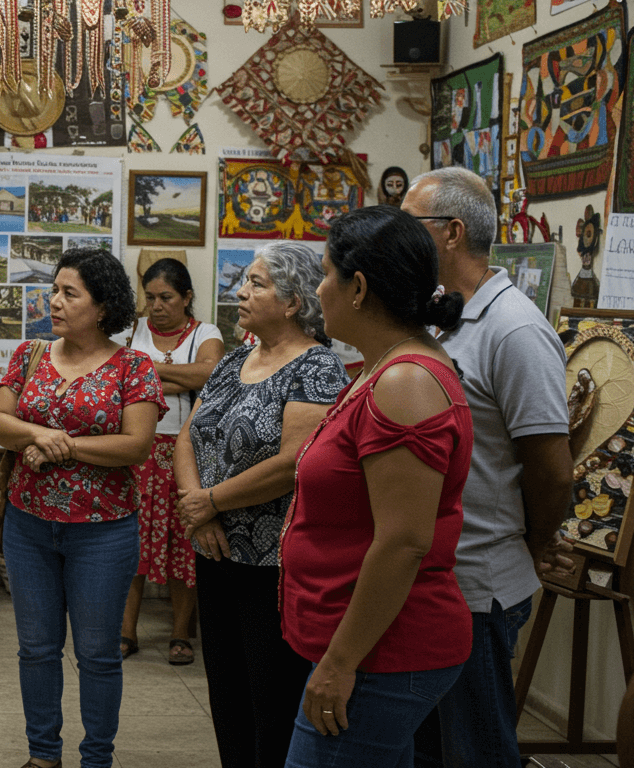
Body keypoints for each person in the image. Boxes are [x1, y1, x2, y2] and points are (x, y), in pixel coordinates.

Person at [279, 206, 473, 765]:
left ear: (359, 288)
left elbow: (403, 542)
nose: (318, 290)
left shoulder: (406, 382)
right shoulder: (382, 367)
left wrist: (340, 663)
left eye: (325, 274)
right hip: (368, 646)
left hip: (383, 652)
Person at [402, 167, 573, 767]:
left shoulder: (515, 329)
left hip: (479, 583)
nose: (400, 236)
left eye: (410, 223)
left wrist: (535, 540)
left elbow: (552, 469)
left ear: (451, 233)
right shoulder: (438, 315)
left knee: (474, 749)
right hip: (432, 576)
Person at [0, 248, 164, 768]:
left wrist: (58, 446)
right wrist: (40, 436)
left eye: (70, 293)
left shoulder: (134, 366)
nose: (55, 302)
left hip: (102, 532)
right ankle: (43, 755)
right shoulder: (31, 354)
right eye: (54, 290)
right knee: (37, 648)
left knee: (97, 654)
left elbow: (136, 445)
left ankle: (96, 759)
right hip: (28, 526)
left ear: (103, 306)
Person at [174, 241, 348, 768]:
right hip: (215, 551)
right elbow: (187, 438)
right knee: (227, 695)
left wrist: (210, 502)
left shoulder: (317, 368)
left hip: (273, 564)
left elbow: (294, 461)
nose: (240, 292)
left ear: (293, 301)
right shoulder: (233, 360)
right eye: (245, 281)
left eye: (256, 283)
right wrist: (199, 512)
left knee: (270, 698)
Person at [118, 258, 223, 666]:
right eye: (150, 298)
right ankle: (126, 632)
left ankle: (181, 634)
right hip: (138, 452)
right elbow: (122, 379)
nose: (156, 306)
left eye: (166, 297)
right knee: (132, 545)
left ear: (187, 297)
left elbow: (211, 376)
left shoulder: (205, 333)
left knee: (184, 544)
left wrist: (149, 372)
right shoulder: (133, 331)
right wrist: (180, 375)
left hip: (186, 455)